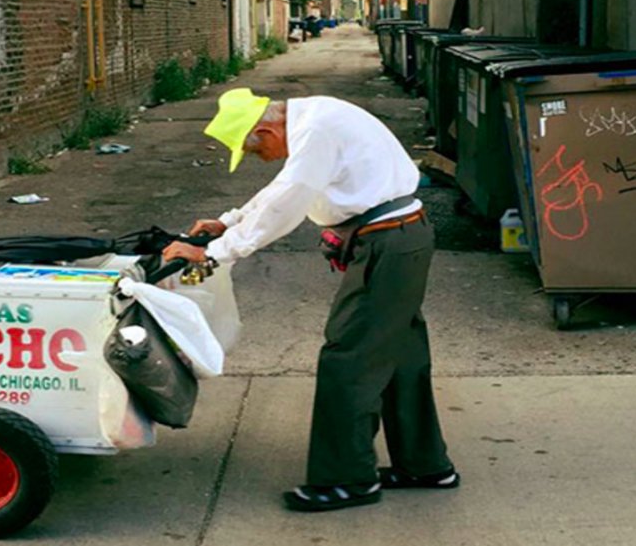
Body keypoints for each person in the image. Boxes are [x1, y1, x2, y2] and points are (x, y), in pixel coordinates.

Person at [162, 88, 458, 513]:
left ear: (265, 130)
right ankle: (425, 467)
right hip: (399, 240)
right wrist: (229, 221)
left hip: (387, 246)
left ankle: (346, 480)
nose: (261, 160)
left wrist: (214, 252)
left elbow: (289, 199)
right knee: (401, 358)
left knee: (348, 357)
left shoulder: (315, 129)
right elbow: (283, 187)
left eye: (255, 151)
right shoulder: (314, 117)